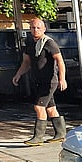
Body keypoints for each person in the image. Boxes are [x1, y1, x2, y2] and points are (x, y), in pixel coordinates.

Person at [11, 18, 68, 146]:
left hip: (50, 81)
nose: (35, 30)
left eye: (38, 28)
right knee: (51, 108)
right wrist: (18, 74)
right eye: (33, 28)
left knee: (39, 107)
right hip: (38, 80)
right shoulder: (30, 43)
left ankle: (38, 137)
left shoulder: (49, 43)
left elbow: (60, 61)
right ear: (30, 29)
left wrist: (62, 78)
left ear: (44, 29)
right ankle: (60, 134)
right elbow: (26, 62)